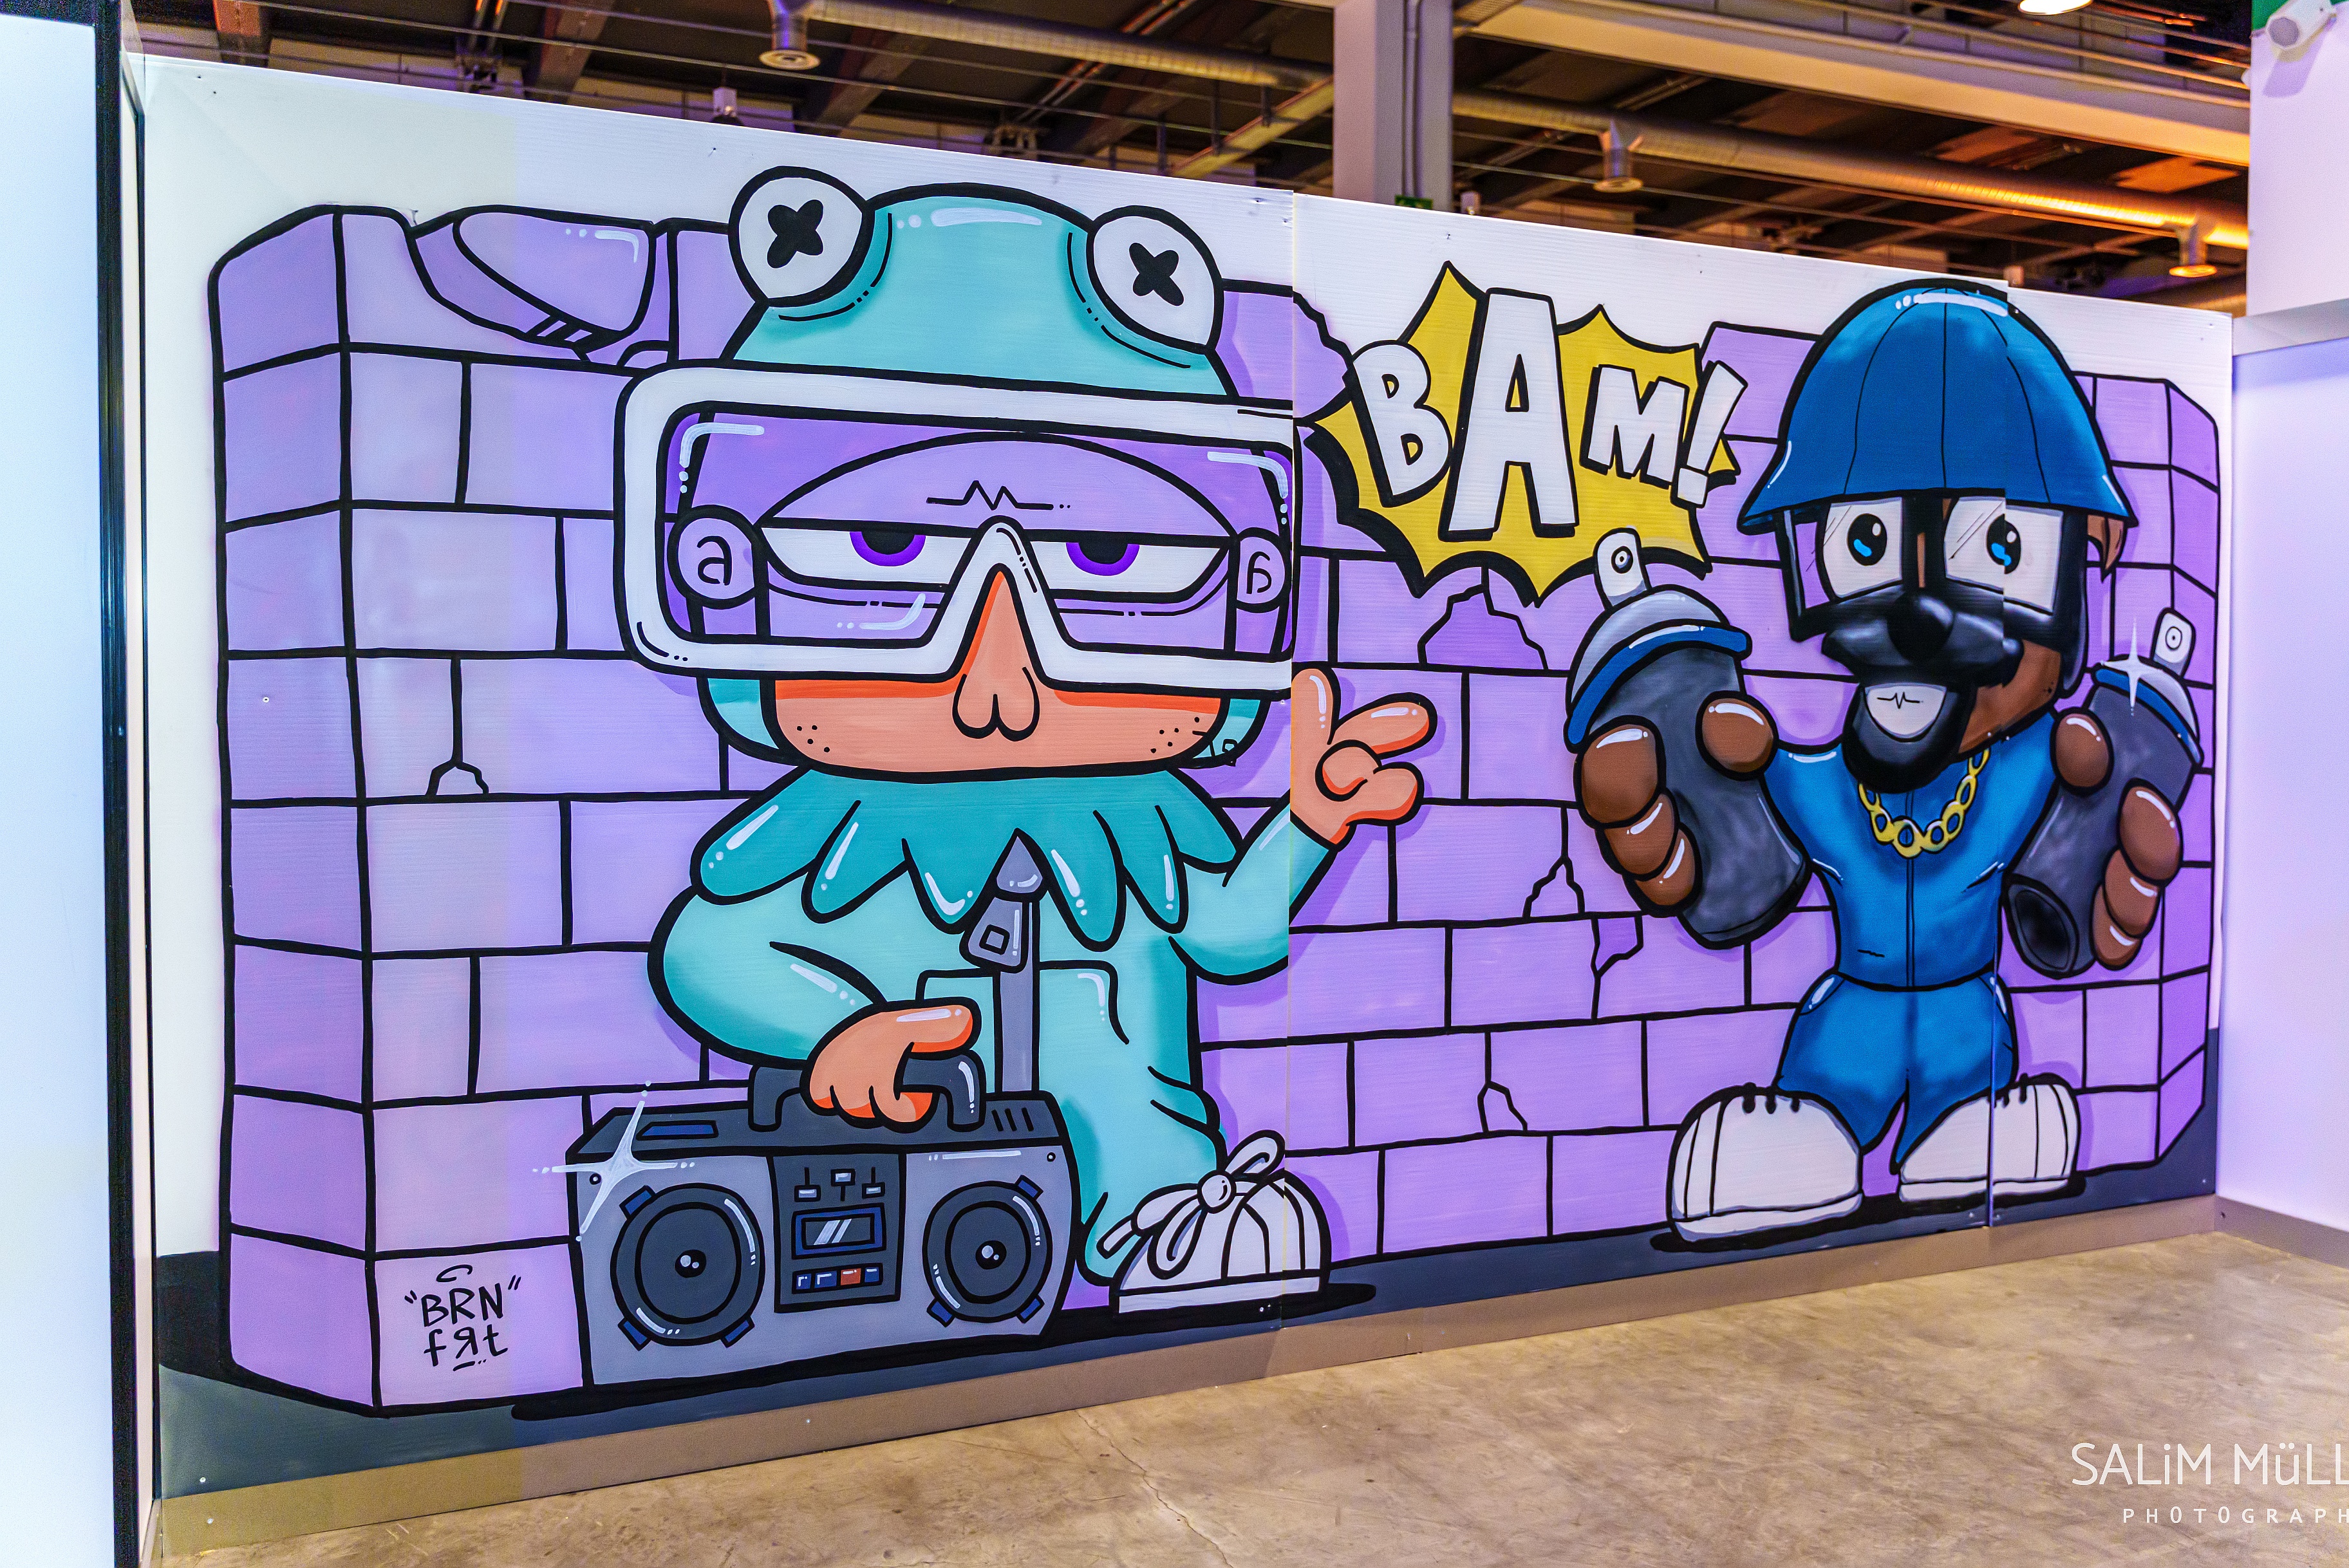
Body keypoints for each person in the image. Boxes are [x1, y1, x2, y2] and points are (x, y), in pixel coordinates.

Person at [640, 169, 1428, 1311]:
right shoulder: (824, 847)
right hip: (916, 1194)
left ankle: (1153, 1213)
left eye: (1111, 562)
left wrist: (1308, 825)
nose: (998, 690)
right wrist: (839, 1030)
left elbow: (1234, 937)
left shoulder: (1148, 829)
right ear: (723, 572)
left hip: (1146, 1199)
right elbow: (709, 955)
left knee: (1185, 1211)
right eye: (879, 551)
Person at [1569, 280, 2189, 1240]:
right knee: (1813, 1108)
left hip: (1968, 1026)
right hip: (1847, 1023)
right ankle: (1815, 1132)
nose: (1921, 615)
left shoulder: (2029, 769)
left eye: (2003, 552)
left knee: (1973, 1110)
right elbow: (1761, 842)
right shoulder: (1827, 782)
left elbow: (2074, 858)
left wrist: (2106, 814)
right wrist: (1709, 795)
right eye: (1869, 545)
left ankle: (1966, 1120)